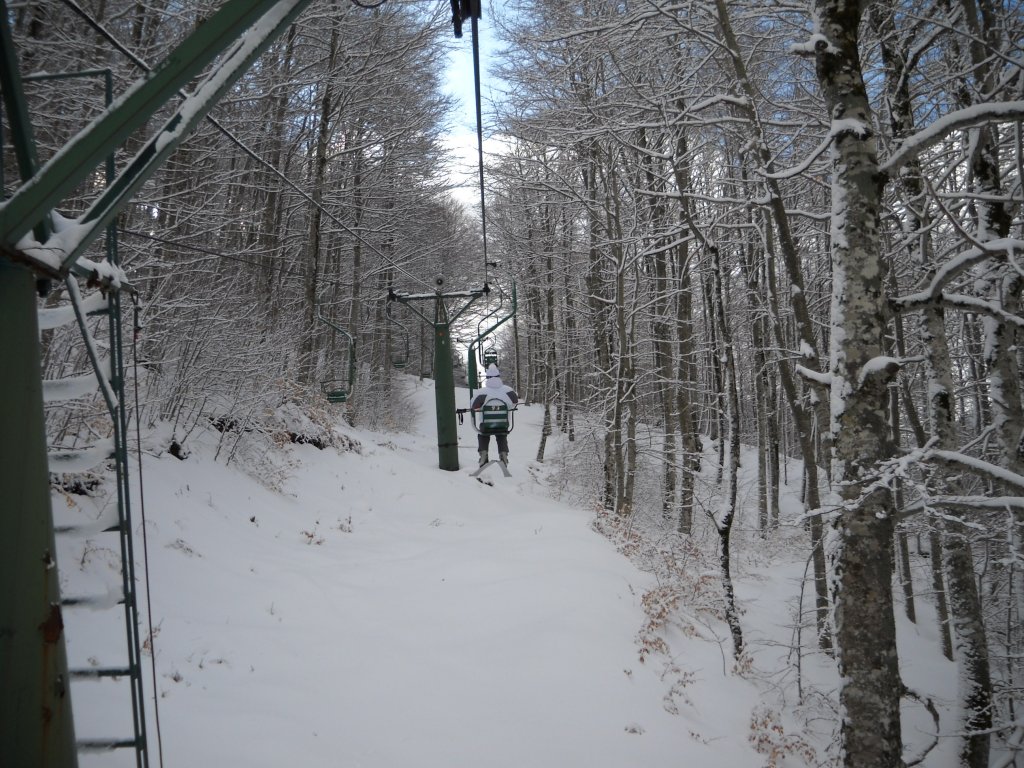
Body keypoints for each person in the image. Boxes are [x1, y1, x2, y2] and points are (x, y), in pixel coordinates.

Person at [471, 364, 518, 466]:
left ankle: (483, 454)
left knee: (483, 434)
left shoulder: (482, 392)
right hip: (503, 424)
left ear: (487, 378)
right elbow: (515, 402)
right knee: (501, 434)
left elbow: (474, 406)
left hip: (486, 425)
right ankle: (503, 454)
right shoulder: (508, 391)